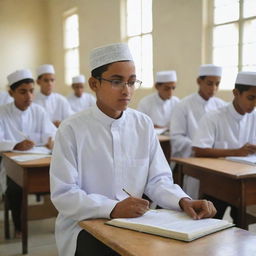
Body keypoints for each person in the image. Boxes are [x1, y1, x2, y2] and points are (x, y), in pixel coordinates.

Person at [50, 43, 216, 256]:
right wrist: (112, 208)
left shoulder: (142, 124)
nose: (126, 90)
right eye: (117, 81)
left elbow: (158, 180)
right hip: (85, 223)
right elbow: (65, 194)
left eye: (131, 82)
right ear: (94, 83)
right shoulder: (72, 129)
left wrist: (183, 200)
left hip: (137, 221)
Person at [192, 71, 256, 223]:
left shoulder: (254, 116)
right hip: (218, 182)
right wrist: (236, 152)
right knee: (212, 223)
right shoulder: (214, 117)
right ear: (236, 93)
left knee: (242, 221)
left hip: (245, 178)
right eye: (251, 98)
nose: (254, 104)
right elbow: (199, 149)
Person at [0, 69, 57, 237]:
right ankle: (18, 226)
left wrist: (51, 139)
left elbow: (51, 132)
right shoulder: (2, 112)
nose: (29, 96)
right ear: (11, 93)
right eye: (23, 92)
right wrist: (16, 145)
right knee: (15, 189)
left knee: (58, 181)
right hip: (12, 164)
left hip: (38, 160)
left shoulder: (38, 111)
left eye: (31, 91)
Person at [170, 64, 226, 199]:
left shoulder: (221, 106)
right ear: (199, 81)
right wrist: (200, 148)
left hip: (219, 162)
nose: (213, 88)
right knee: (195, 198)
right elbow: (176, 137)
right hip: (193, 161)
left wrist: (215, 150)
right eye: (209, 83)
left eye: (217, 84)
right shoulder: (183, 106)